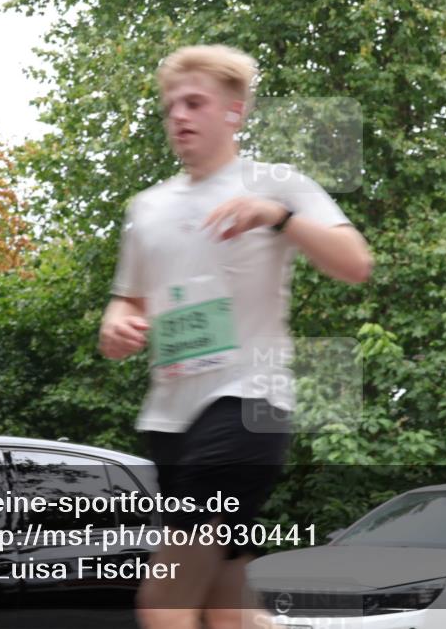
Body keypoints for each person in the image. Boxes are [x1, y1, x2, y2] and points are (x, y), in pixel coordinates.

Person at [98, 44, 372, 629]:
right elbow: (129, 298)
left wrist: (278, 217)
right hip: (169, 423)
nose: (179, 115)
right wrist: (116, 321)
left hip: (248, 406)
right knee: (228, 607)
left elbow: (356, 263)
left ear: (234, 112)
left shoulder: (277, 185)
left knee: (164, 600)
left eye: (195, 102)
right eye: (170, 105)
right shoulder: (147, 208)